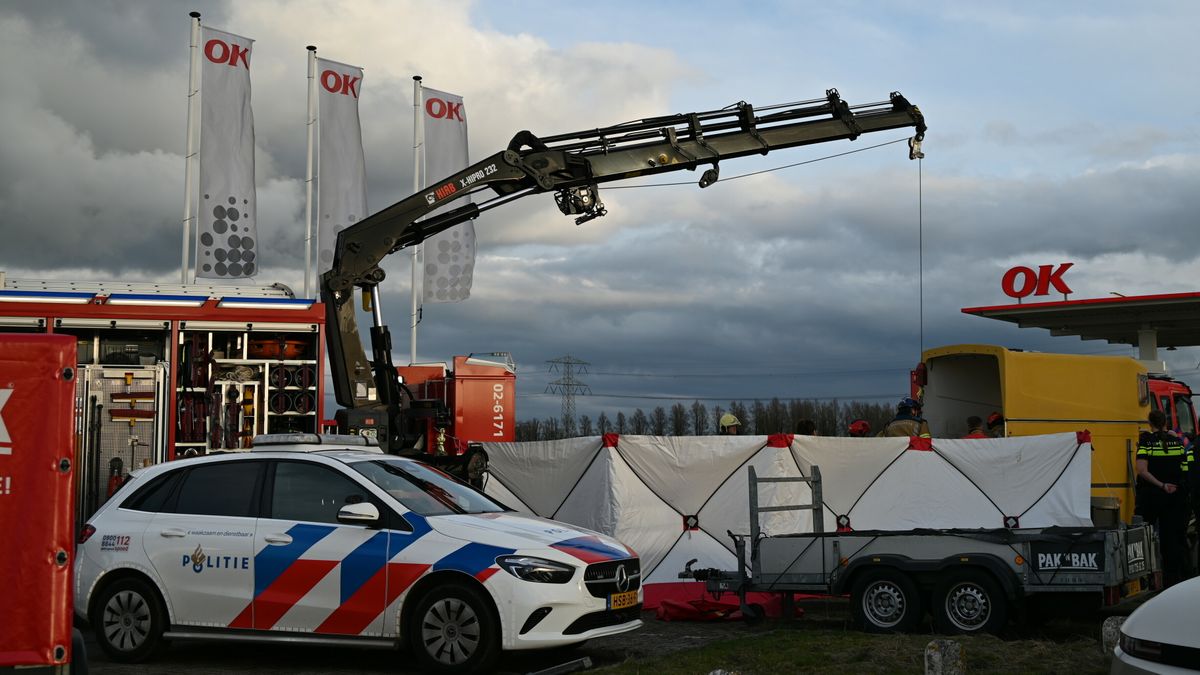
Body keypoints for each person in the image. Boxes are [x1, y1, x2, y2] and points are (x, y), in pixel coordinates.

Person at [1136, 410, 1193, 587]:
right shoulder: (1177, 442)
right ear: (1165, 423)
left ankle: (1144, 579)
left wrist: (1161, 485)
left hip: (1151, 496)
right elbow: (1184, 468)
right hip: (1174, 497)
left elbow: (1142, 470)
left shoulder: (1146, 442)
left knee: (1143, 535)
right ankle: (1172, 582)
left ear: (1150, 423)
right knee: (1171, 540)